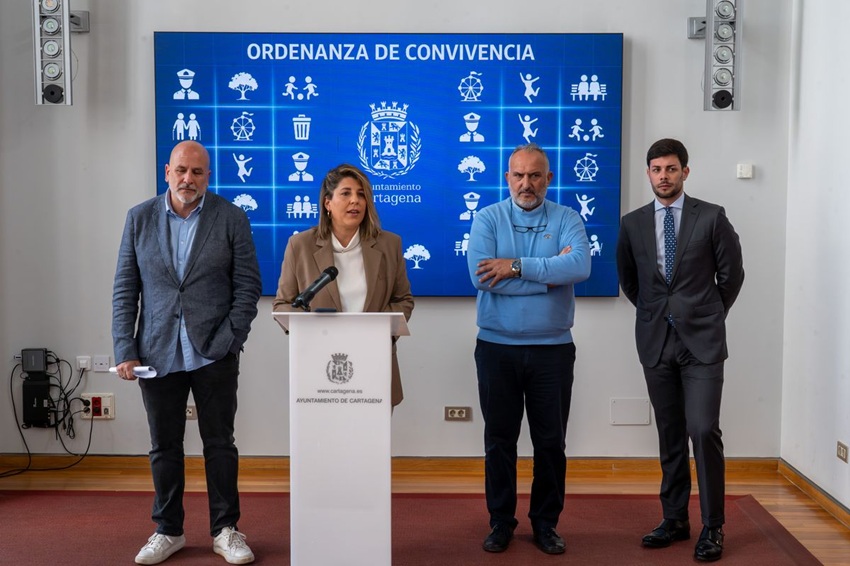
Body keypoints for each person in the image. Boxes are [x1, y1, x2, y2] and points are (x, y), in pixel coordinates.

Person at [112, 140, 262, 565]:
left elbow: (248, 285)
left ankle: (226, 529)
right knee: (164, 445)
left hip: (214, 351)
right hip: (156, 352)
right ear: (167, 171)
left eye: (197, 172)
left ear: (207, 176)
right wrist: (125, 347)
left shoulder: (230, 217)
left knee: (220, 443)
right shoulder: (139, 218)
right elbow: (126, 288)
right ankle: (168, 530)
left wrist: (232, 337)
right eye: (181, 170)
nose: (188, 179)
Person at [616, 138, 744, 562]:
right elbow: (630, 281)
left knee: (703, 429)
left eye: (671, 168)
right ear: (648, 173)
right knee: (670, 434)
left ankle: (713, 526)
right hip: (656, 342)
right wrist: (659, 314)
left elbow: (732, 275)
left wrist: (704, 314)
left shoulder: (710, 217)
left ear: (685, 172)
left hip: (702, 344)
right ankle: (674, 519)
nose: (664, 176)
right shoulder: (632, 224)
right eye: (656, 169)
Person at [466, 143, 591, 555]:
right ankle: (501, 521)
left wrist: (515, 266)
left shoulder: (568, 218)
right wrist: (549, 276)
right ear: (507, 178)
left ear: (548, 179)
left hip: (552, 351)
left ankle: (545, 524)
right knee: (499, 441)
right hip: (496, 349)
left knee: (550, 442)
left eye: (535, 175)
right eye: (518, 175)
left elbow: (579, 268)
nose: (526, 183)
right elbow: (483, 276)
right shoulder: (487, 218)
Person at [272, 163, 414, 407]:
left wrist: (375, 331)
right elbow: (283, 305)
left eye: (361, 195)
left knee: (370, 442)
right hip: (318, 363)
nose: (355, 201)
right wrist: (309, 330)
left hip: (374, 360)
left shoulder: (389, 244)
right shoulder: (300, 245)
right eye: (346, 193)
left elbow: (404, 300)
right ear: (328, 202)